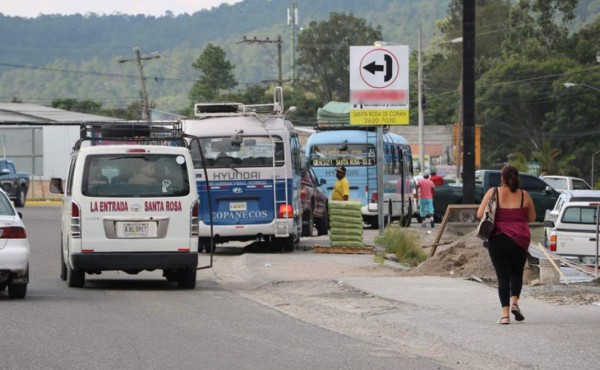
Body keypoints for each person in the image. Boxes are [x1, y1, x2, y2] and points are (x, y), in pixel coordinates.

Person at [477, 165, 536, 325]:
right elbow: (531, 217)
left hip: (498, 238)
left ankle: (505, 315)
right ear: (517, 177)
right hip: (521, 239)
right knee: (517, 273)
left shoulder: (493, 192)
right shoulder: (525, 195)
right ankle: (515, 302)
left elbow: (480, 214)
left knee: (503, 277)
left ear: (502, 178)